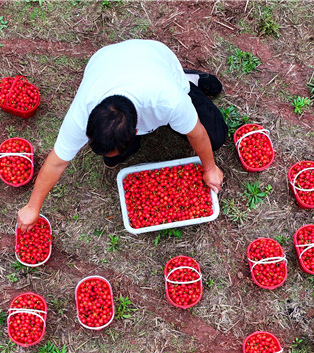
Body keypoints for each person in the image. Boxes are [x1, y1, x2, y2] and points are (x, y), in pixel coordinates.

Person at [16, 39, 228, 232]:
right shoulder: (81, 113)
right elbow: (57, 163)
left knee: (216, 137)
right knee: (112, 160)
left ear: (136, 131)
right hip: (105, 60)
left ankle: (188, 79)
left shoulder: (168, 101)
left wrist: (210, 168)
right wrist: (32, 207)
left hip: (154, 60)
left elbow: (197, 133)